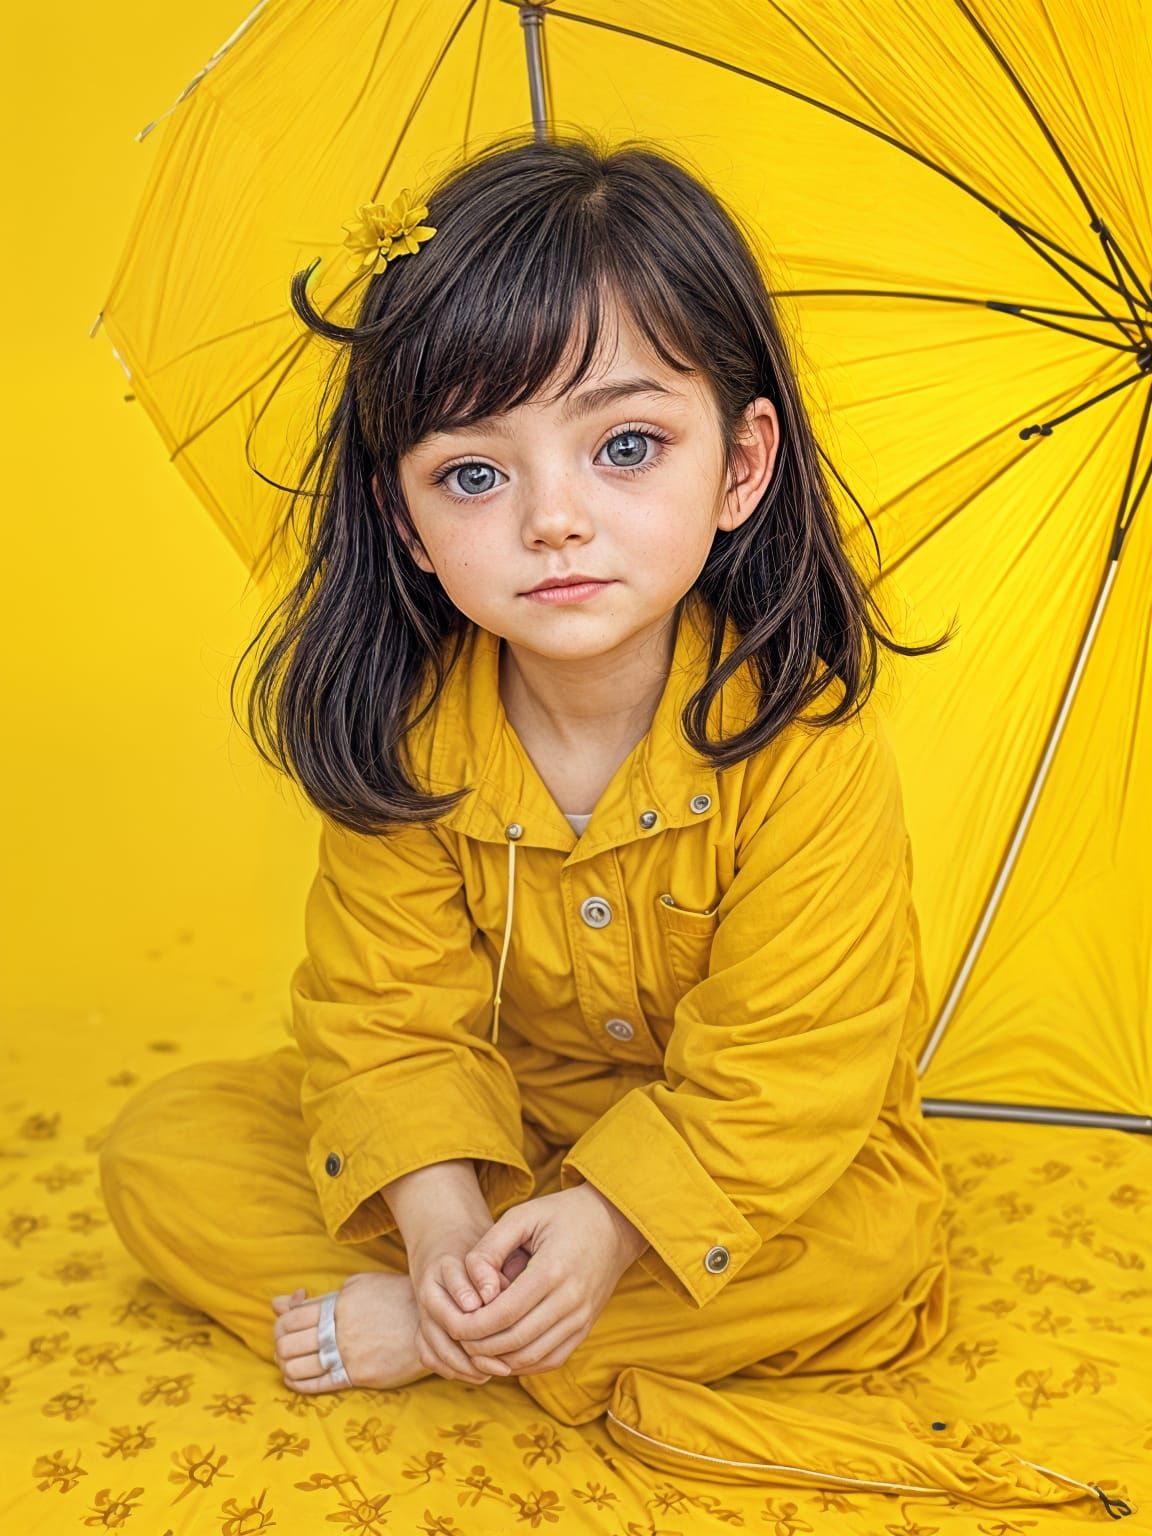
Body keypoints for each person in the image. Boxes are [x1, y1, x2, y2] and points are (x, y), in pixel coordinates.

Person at [99, 127, 955, 1432]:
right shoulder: (403, 743)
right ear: (406, 519)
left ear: (740, 465)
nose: (553, 518)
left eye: (626, 447)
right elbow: (387, 1021)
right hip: (509, 1138)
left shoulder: (806, 747)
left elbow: (789, 1073)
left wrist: (609, 1227)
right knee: (165, 1155)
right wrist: (443, 1227)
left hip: (754, 1174)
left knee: (868, 1252)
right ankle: (507, 1313)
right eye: (475, 473)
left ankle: (449, 1338)